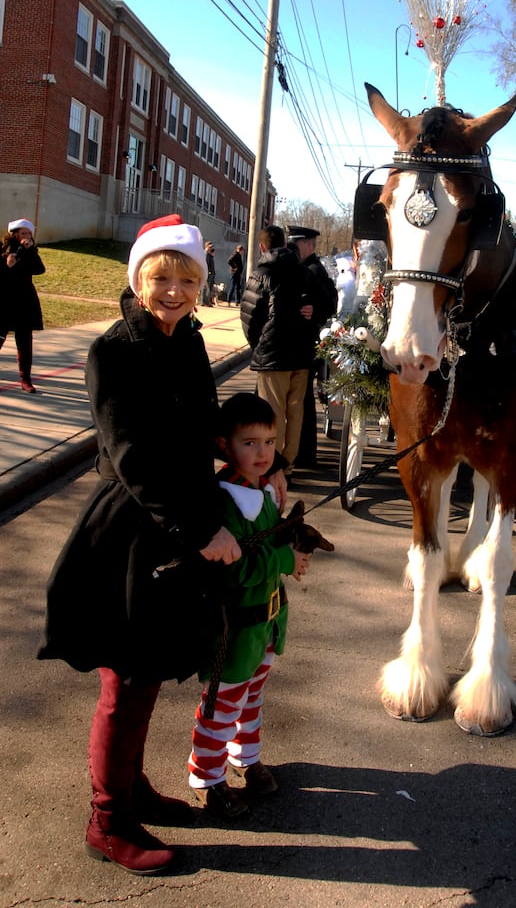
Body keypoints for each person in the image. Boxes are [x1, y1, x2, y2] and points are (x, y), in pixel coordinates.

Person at [37, 214, 248, 876]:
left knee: (152, 671)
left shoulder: (187, 339)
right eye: (162, 277)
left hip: (184, 519)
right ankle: (107, 818)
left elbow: (201, 423)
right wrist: (203, 531)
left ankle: (129, 788)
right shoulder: (113, 352)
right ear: (138, 278)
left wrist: (247, 449)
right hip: (133, 533)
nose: (176, 290)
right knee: (125, 682)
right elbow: (132, 460)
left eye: (188, 278)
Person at [187, 392, 311, 819]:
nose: (263, 453)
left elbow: (272, 541)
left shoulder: (263, 490)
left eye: (270, 442)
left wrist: (292, 538)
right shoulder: (224, 500)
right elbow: (235, 569)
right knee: (222, 704)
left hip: (267, 624)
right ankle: (207, 778)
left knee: (251, 698)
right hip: (235, 631)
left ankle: (245, 757)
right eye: (250, 443)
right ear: (225, 445)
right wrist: (283, 558)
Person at [240, 225, 324, 479]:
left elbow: (249, 315)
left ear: (262, 247)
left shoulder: (261, 273)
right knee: (295, 411)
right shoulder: (305, 272)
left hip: (273, 355)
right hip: (301, 353)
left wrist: (257, 345)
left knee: (272, 411)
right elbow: (324, 302)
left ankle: (271, 466)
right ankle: (287, 464)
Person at [286, 225, 337, 468]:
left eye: (296, 245)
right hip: (298, 344)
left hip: (306, 344)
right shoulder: (303, 267)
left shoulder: (314, 270)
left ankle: (305, 454)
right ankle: (301, 452)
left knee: (303, 403)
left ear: (307, 245)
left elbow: (331, 301)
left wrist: (315, 310)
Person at [0, 217, 46, 392]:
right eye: (23, 233)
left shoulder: (31, 252)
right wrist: (10, 258)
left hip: (25, 301)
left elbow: (40, 270)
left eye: (29, 233)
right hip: (4, 300)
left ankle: (25, 379)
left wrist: (30, 251)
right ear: (15, 234)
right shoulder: (4, 250)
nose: (27, 236)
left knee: (25, 341)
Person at [201, 240, 216, 306]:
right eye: (210, 247)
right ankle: (205, 301)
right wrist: (208, 272)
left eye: (211, 247)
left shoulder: (209, 255)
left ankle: (205, 301)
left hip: (210, 273)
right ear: (206, 247)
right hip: (208, 273)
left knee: (208, 287)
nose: (211, 248)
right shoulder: (206, 254)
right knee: (207, 287)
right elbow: (206, 265)